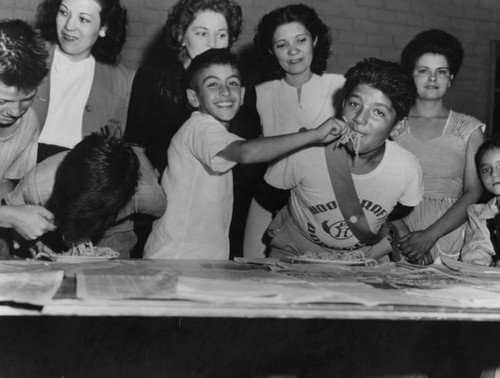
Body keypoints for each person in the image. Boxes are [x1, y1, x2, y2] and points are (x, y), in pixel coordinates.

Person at [143, 48, 342, 260]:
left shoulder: (214, 132)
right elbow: (247, 152)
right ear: (193, 97)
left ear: (243, 94)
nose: (225, 91)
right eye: (212, 84)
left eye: (232, 83)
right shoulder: (201, 128)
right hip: (176, 259)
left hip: (199, 261)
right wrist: (315, 135)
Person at [124, 0, 259, 258]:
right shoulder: (153, 76)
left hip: (216, 200)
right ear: (181, 35)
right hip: (159, 196)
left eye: (221, 35)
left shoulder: (239, 88)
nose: (213, 42)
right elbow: (135, 142)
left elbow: (247, 153)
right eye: (201, 33)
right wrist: (154, 190)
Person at [264, 58, 423, 260]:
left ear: (398, 126)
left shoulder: (406, 168)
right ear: (342, 104)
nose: (359, 119)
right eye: (355, 104)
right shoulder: (303, 151)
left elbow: (399, 209)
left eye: (378, 112)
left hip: (364, 256)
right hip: (296, 251)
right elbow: (272, 193)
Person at [243, 4, 345, 258]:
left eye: (301, 40)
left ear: (315, 40)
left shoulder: (340, 86)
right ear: (270, 50)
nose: (293, 51)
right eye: (281, 45)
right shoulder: (258, 94)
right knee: (254, 271)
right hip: (270, 199)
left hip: (325, 204)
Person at [395, 29, 484, 265]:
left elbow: (473, 191)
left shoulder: (470, 129)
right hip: (396, 234)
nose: (432, 79)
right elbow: (377, 189)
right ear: (411, 76)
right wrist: (405, 237)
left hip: (449, 235)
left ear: (451, 78)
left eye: (441, 72)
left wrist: (430, 235)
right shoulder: (391, 126)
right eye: (423, 71)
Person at [3, 133, 166, 258]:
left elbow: (162, 218)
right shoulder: (38, 183)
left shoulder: (145, 194)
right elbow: (11, 218)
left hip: (113, 230)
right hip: (57, 229)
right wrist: (31, 241)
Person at [33, 0, 135, 161]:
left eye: (84, 19)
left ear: (104, 27)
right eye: (64, 13)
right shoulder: (30, 56)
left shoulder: (123, 80)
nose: (69, 26)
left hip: (82, 172)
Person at [0, 19, 55, 246]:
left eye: (27, 98)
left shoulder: (29, 121)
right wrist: (11, 217)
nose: (15, 111)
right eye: (4, 100)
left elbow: (4, 186)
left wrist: (24, 230)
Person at [460, 139, 500, 266]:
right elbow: (478, 249)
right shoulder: (480, 214)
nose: (494, 174)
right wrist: (478, 261)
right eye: (486, 170)